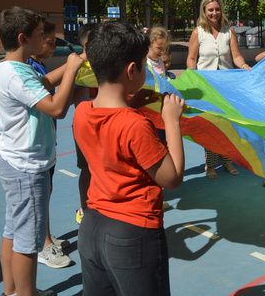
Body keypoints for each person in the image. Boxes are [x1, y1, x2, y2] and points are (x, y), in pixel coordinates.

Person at [73, 22, 185, 296]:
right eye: (144, 65)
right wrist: (171, 121)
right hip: (131, 234)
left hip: (91, 228)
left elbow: (109, 130)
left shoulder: (82, 112)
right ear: (131, 70)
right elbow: (172, 179)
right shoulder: (135, 125)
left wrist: (133, 103)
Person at [0, 6, 83, 296]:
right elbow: (57, 108)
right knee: (28, 242)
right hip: (27, 167)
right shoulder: (18, 75)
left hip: (15, 161)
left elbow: (43, 84)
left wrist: (76, 67)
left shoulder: (12, 69)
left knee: (13, 230)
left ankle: (12, 292)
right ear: (23, 39)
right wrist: (71, 69)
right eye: (40, 34)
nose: (45, 38)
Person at [26, 20, 72, 268]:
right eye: (50, 42)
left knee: (47, 191)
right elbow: (53, 105)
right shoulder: (28, 69)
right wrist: (71, 69)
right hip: (34, 147)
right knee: (40, 195)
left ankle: (46, 236)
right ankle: (43, 245)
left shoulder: (41, 66)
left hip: (47, 141)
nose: (54, 46)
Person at [187, 0, 249, 178]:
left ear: (221, 10)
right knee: (210, 126)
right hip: (206, 87)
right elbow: (191, 59)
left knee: (227, 125)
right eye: (210, 10)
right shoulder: (198, 32)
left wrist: (244, 65)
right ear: (204, 12)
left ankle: (227, 160)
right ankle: (211, 164)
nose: (214, 13)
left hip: (225, 86)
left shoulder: (228, 32)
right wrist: (192, 74)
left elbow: (236, 56)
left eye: (217, 9)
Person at [73, 22, 97, 226]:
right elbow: (71, 99)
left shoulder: (103, 62)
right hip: (85, 125)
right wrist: (84, 82)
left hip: (105, 122)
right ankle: (84, 208)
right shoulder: (78, 66)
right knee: (87, 169)